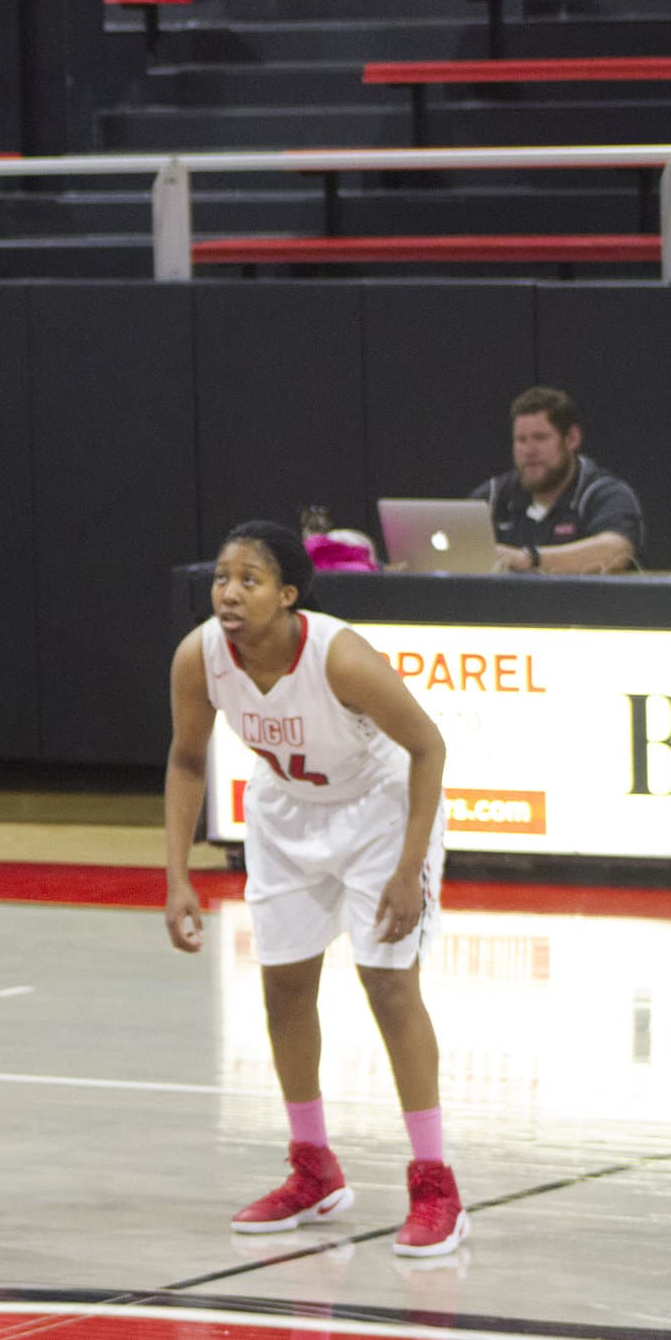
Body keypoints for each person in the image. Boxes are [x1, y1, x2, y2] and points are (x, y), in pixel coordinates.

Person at [162, 520, 467, 1258]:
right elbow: (187, 759)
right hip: (285, 815)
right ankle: (313, 1169)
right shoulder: (199, 655)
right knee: (283, 991)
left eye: (249, 580)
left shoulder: (339, 655)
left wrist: (408, 865)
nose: (228, 593)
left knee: (389, 985)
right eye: (221, 578)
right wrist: (175, 872)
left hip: (379, 811)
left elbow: (428, 745)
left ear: (288, 595)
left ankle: (436, 1185)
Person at [471, 386, 643, 574]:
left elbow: (616, 551)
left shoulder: (604, 493)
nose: (529, 450)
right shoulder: (494, 496)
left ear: (572, 439)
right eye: (521, 440)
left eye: (540, 438)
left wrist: (527, 559)